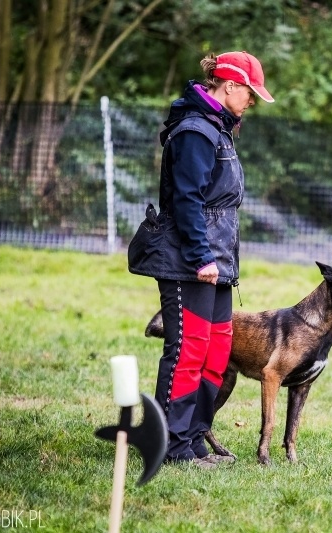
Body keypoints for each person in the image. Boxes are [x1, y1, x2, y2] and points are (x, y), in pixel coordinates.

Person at [128, 51, 274, 469]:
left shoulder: (219, 128)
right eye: (250, 93)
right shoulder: (195, 131)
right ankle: (169, 445)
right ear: (228, 85)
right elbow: (187, 200)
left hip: (218, 262)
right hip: (189, 260)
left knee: (216, 349)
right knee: (188, 350)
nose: (252, 102)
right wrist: (200, 256)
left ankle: (192, 440)